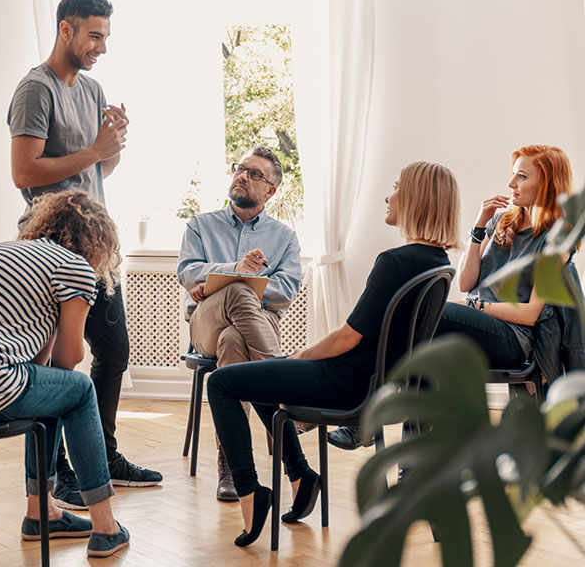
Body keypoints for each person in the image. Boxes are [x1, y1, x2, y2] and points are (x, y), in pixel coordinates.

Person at [206, 161, 461, 546]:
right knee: (260, 378)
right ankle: (302, 474)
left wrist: (300, 357)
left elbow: (347, 338)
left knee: (222, 382)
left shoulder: (395, 262)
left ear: (416, 199)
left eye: (395, 186)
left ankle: (250, 492)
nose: (388, 195)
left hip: (347, 384)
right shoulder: (438, 263)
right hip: (379, 386)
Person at [7, 0, 162, 510]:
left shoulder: (93, 88)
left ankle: (105, 455)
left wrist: (110, 147)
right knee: (59, 366)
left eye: (106, 36)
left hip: (96, 246)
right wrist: (94, 149)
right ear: (66, 29)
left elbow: (94, 171)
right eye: (94, 35)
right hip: (51, 247)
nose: (101, 46)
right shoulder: (36, 89)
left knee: (113, 353)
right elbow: (24, 173)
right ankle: (62, 476)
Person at [0, 191, 130, 557]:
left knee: (56, 388)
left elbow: (41, 369)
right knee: (78, 389)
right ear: (96, 239)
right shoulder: (74, 267)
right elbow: (68, 360)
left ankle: (42, 513)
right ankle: (105, 527)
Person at [177, 146, 302, 500]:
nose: (243, 176)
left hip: (255, 324)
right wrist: (237, 273)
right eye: (240, 169)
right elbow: (187, 272)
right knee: (236, 295)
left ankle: (233, 467)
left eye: (254, 174)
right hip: (205, 323)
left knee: (234, 341)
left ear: (270, 191)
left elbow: (286, 292)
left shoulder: (284, 237)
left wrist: (225, 283)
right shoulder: (200, 225)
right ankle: (287, 394)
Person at [435, 145, 574, 370]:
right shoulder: (501, 222)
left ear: (546, 184)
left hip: (511, 337)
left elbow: (531, 314)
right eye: (513, 175)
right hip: (475, 320)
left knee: (428, 312)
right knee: (416, 316)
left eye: (521, 176)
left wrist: (475, 305)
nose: (511, 184)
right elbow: (465, 283)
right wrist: (479, 228)